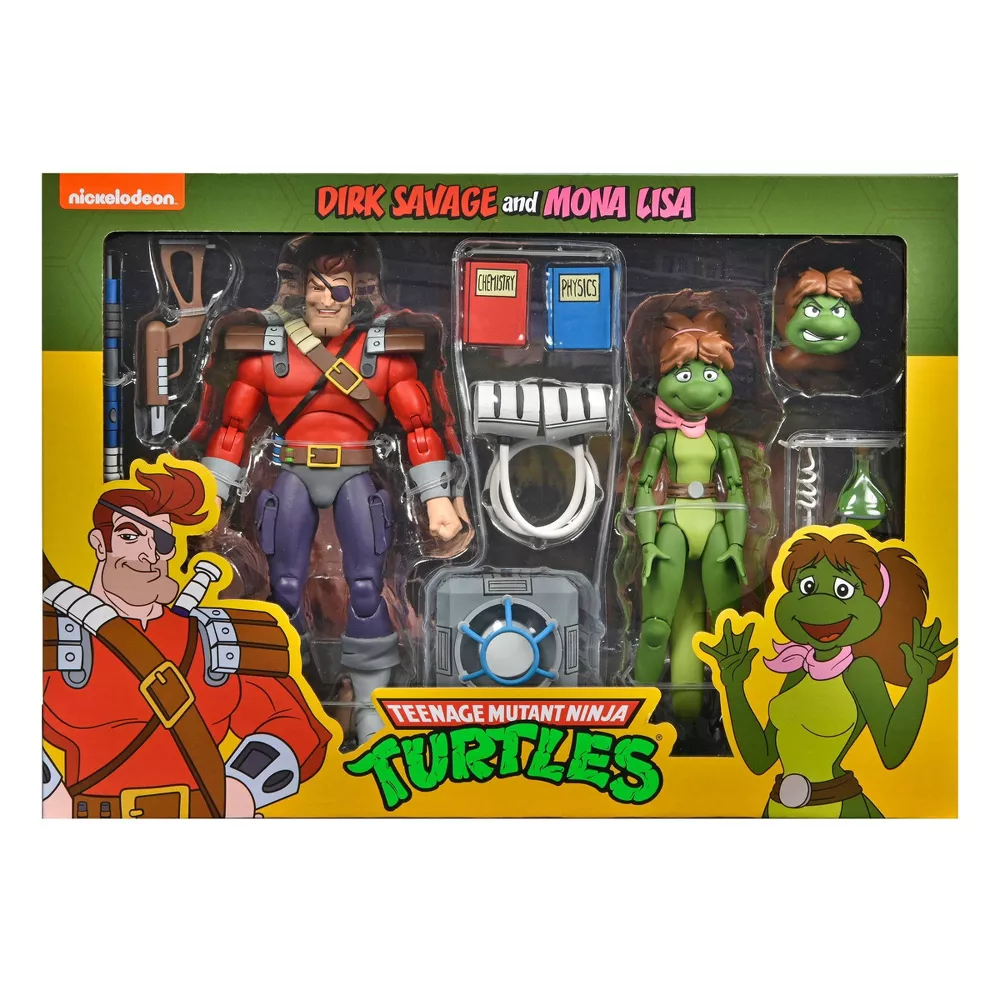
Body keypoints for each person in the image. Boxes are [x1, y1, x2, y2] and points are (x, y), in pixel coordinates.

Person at [202, 236, 462, 741]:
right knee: (283, 589)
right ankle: (286, 694)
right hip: (292, 474)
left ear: (357, 293)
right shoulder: (267, 355)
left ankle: (368, 703)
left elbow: (419, 428)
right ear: (300, 292)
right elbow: (232, 428)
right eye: (316, 288)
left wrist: (437, 501)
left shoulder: (384, 356)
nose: (326, 300)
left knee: (366, 586)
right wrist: (211, 496)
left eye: (338, 288)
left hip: (356, 474)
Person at [42, 461, 330, 818]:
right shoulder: (58, 640)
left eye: (161, 540)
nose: (149, 553)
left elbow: (296, 726)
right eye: (130, 536)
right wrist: (46, 794)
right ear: (100, 544)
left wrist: (243, 787)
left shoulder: (214, 639)